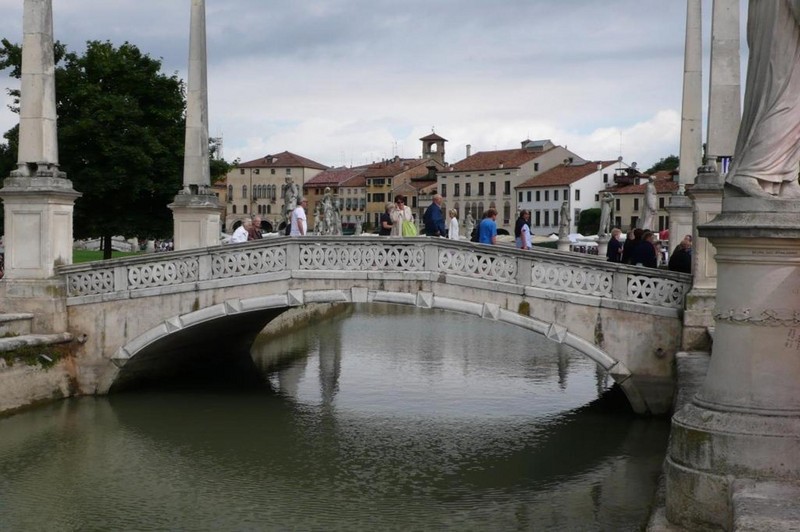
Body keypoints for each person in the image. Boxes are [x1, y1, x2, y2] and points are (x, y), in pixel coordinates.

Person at [726, 0, 800, 198]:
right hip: (783, 29)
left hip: (779, 25)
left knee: (785, 102)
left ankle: (782, 176)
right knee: (787, 103)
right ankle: (753, 170)